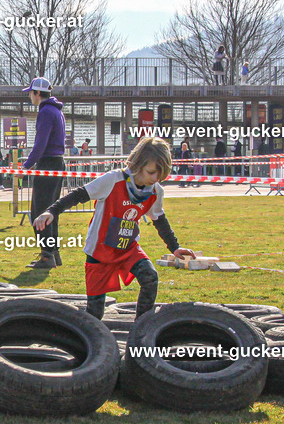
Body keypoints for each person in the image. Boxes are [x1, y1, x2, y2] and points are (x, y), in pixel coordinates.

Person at [33, 136, 195, 320]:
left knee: (150, 277)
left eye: (161, 174)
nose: (155, 178)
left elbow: (159, 219)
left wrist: (174, 247)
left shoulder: (156, 191)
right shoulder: (113, 180)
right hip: (99, 251)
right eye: (151, 172)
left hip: (128, 248)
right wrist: (51, 211)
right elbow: (79, 195)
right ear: (138, 164)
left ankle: (142, 327)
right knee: (95, 313)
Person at [23, 77, 67, 269]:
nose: (30, 97)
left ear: (38, 93)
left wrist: (26, 166)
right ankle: (53, 253)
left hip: (48, 164)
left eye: (31, 93)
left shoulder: (46, 112)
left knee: (39, 212)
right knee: (51, 211)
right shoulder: (56, 111)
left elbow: (40, 144)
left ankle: (47, 256)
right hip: (57, 163)